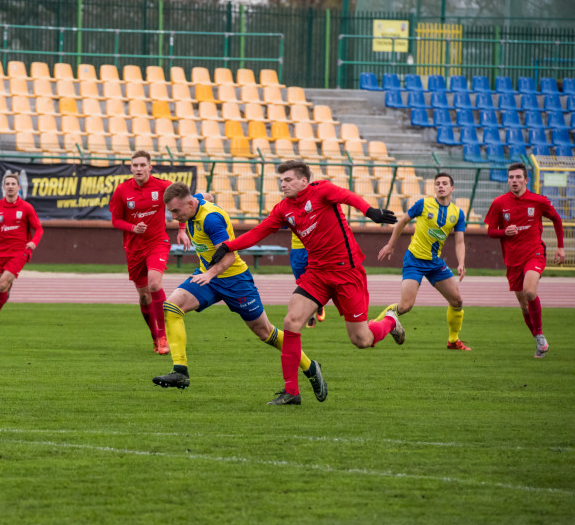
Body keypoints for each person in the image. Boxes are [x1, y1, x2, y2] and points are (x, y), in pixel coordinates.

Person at [207, 160, 403, 405]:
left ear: (303, 181)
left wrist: (370, 211)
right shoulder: (283, 209)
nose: (283, 184)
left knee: (361, 340)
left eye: (288, 180)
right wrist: (228, 245)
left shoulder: (322, 190)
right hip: (317, 273)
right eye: (281, 181)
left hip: (346, 273)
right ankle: (292, 392)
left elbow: (348, 196)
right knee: (291, 321)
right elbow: (259, 232)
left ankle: (389, 321)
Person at [151, 182, 328, 404]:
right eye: (171, 212)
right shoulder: (194, 202)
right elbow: (208, 194)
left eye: (176, 212)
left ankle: (310, 367)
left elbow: (228, 256)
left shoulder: (211, 220)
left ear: (189, 203)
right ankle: (180, 370)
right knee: (172, 306)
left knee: (266, 333)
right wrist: (185, 229)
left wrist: (210, 274)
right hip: (209, 277)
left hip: (234, 280)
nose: (174, 216)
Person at [109, 150, 192, 355]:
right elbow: (116, 220)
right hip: (134, 248)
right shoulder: (121, 190)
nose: (139, 169)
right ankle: (155, 337)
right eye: (135, 165)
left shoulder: (162, 186)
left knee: (155, 282)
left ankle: (164, 336)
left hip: (157, 242)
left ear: (149, 166)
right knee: (144, 297)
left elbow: (183, 202)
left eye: (142, 165)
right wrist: (132, 228)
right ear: (131, 168)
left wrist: (182, 230)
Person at [376, 172, 470, 350]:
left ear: (452, 188)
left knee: (457, 301)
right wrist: (390, 245)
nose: (440, 186)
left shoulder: (457, 213)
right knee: (404, 306)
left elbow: (459, 242)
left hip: (435, 263)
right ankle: (374, 326)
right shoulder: (423, 204)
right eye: (437, 183)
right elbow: (402, 221)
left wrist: (461, 262)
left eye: (444, 183)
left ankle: (453, 341)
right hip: (414, 260)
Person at [483, 162, 565, 358]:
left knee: (529, 291)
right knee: (523, 304)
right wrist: (504, 232)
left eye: (518, 177)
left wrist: (560, 247)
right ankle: (539, 338)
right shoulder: (499, 203)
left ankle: (540, 335)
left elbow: (556, 219)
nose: (514, 181)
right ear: (508, 180)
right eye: (511, 177)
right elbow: (491, 231)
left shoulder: (538, 201)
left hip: (534, 252)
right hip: (512, 259)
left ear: (526, 180)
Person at [0, 173, 43, 324]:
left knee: (2, 285)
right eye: (7, 184)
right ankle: (7, 286)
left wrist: (34, 242)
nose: (10, 186)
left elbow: (39, 229)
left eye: (13, 184)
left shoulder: (26, 208)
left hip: (18, 252)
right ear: (3, 187)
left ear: (18, 187)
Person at [290, 232, 325, 328]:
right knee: (302, 283)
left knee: (316, 278)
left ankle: (318, 304)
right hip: (297, 248)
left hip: (315, 246)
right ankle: (312, 312)